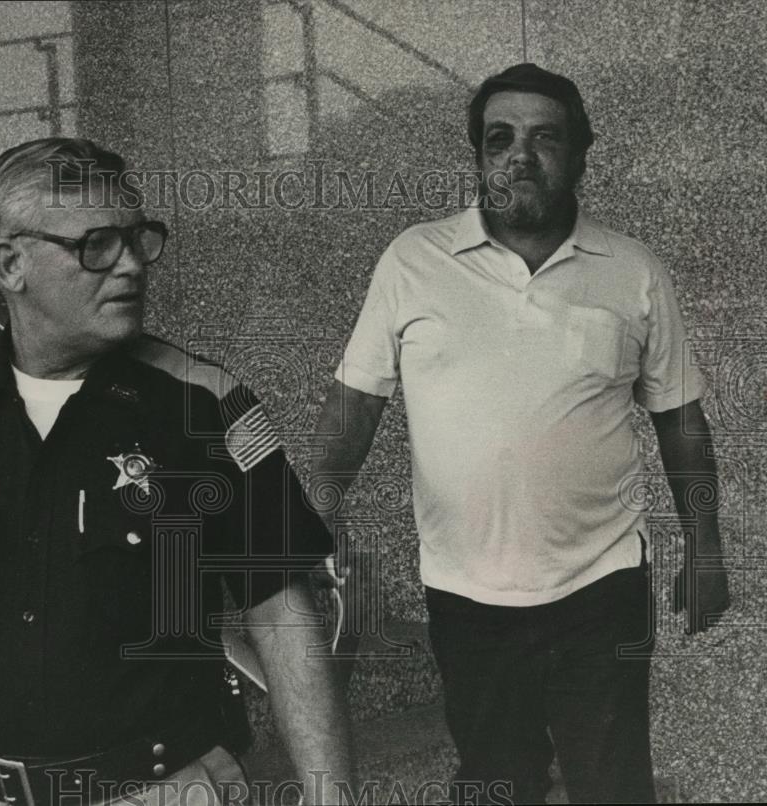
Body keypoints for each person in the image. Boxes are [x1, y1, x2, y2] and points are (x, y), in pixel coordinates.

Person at [0, 138, 351, 806]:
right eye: (97, 244)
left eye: (139, 239)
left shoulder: (201, 407)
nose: (131, 265)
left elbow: (280, 613)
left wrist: (332, 795)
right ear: (10, 264)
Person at [312, 63, 730, 804]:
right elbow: (355, 404)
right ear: (477, 155)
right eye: (499, 138)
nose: (520, 156)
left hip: (600, 588)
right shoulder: (413, 261)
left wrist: (704, 548)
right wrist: (307, 521)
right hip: (465, 591)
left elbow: (681, 421)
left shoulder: (632, 270)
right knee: (495, 782)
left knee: (612, 784)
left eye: (545, 138)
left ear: (579, 155)